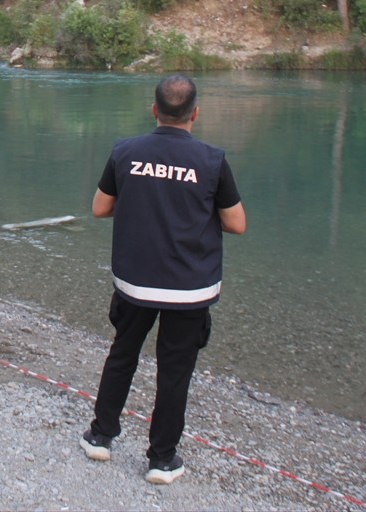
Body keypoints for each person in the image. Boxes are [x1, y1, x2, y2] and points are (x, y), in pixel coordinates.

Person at [79, 75, 246, 485]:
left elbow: (100, 208)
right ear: (196, 114)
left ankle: (101, 436)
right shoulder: (211, 160)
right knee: (175, 371)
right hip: (190, 288)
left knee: (123, 355)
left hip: (136, 282)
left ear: (154, 110)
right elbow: (236, 224)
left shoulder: (126, 151)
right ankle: (161, 459)